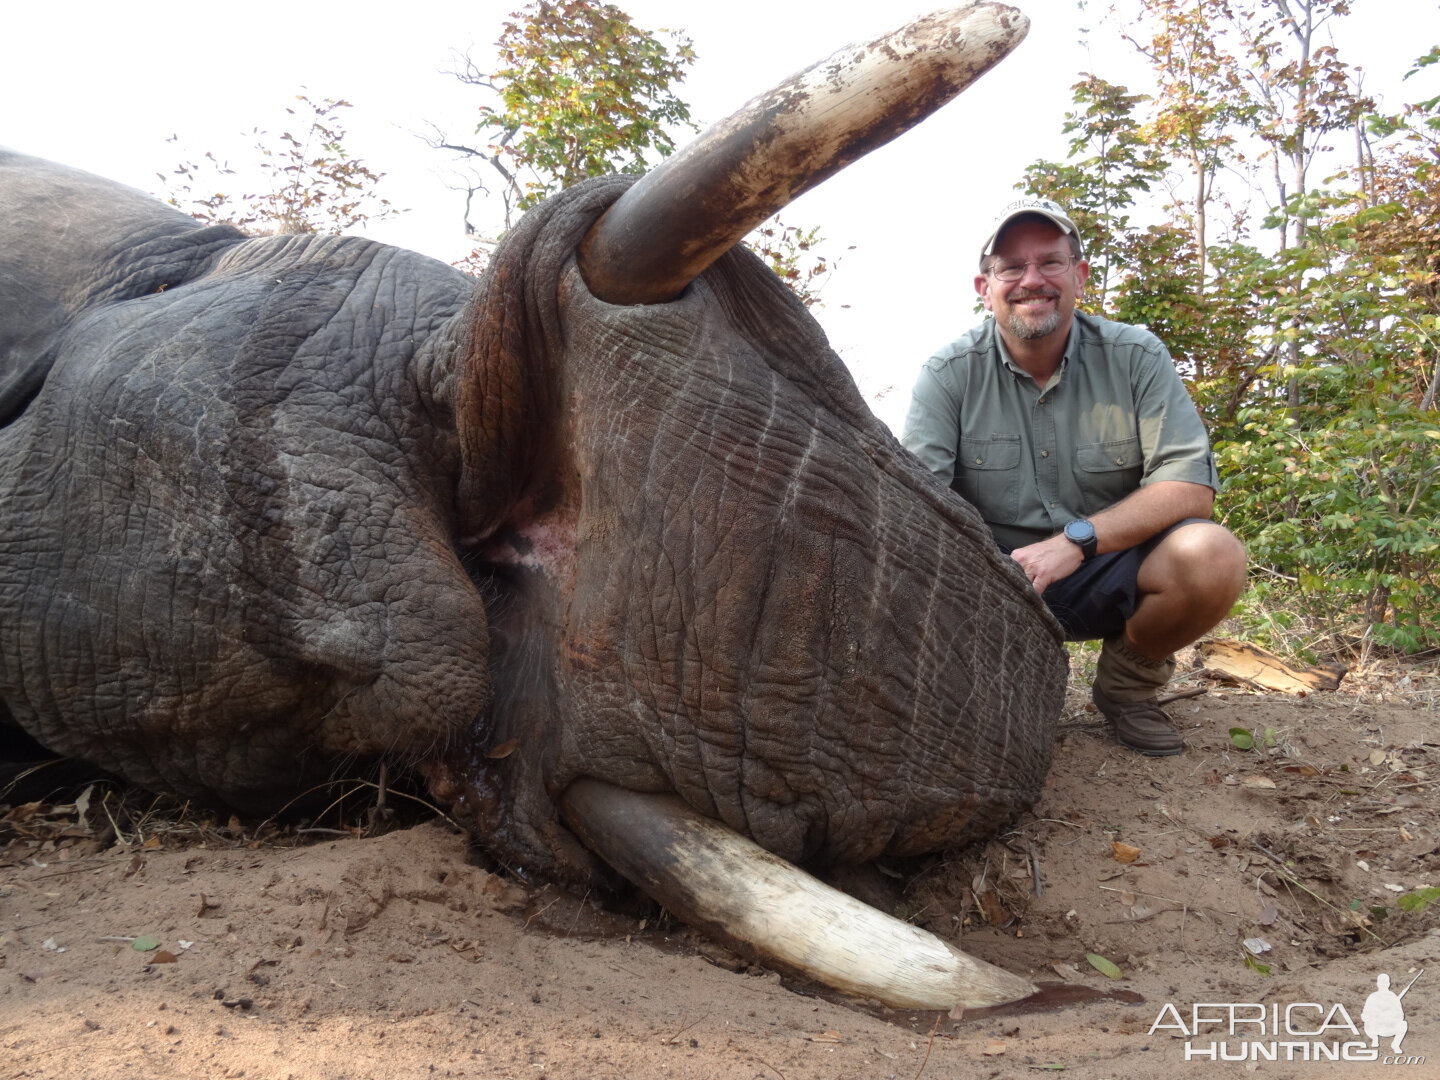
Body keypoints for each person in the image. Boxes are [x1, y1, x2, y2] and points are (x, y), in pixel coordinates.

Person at [901, 197, 1246, 756]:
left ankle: (1126, 691)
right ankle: (969, 689)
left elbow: (1190, 486)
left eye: (1050, 263)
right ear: (983, 286)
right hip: (992, 586)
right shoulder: (947, 374)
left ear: (1079, 275)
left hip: (1107, 566)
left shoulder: (1136, 355)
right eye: (1011, 267)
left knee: (1212, 553)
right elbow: (916, 507)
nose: (1031, 281)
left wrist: (1074, 543)